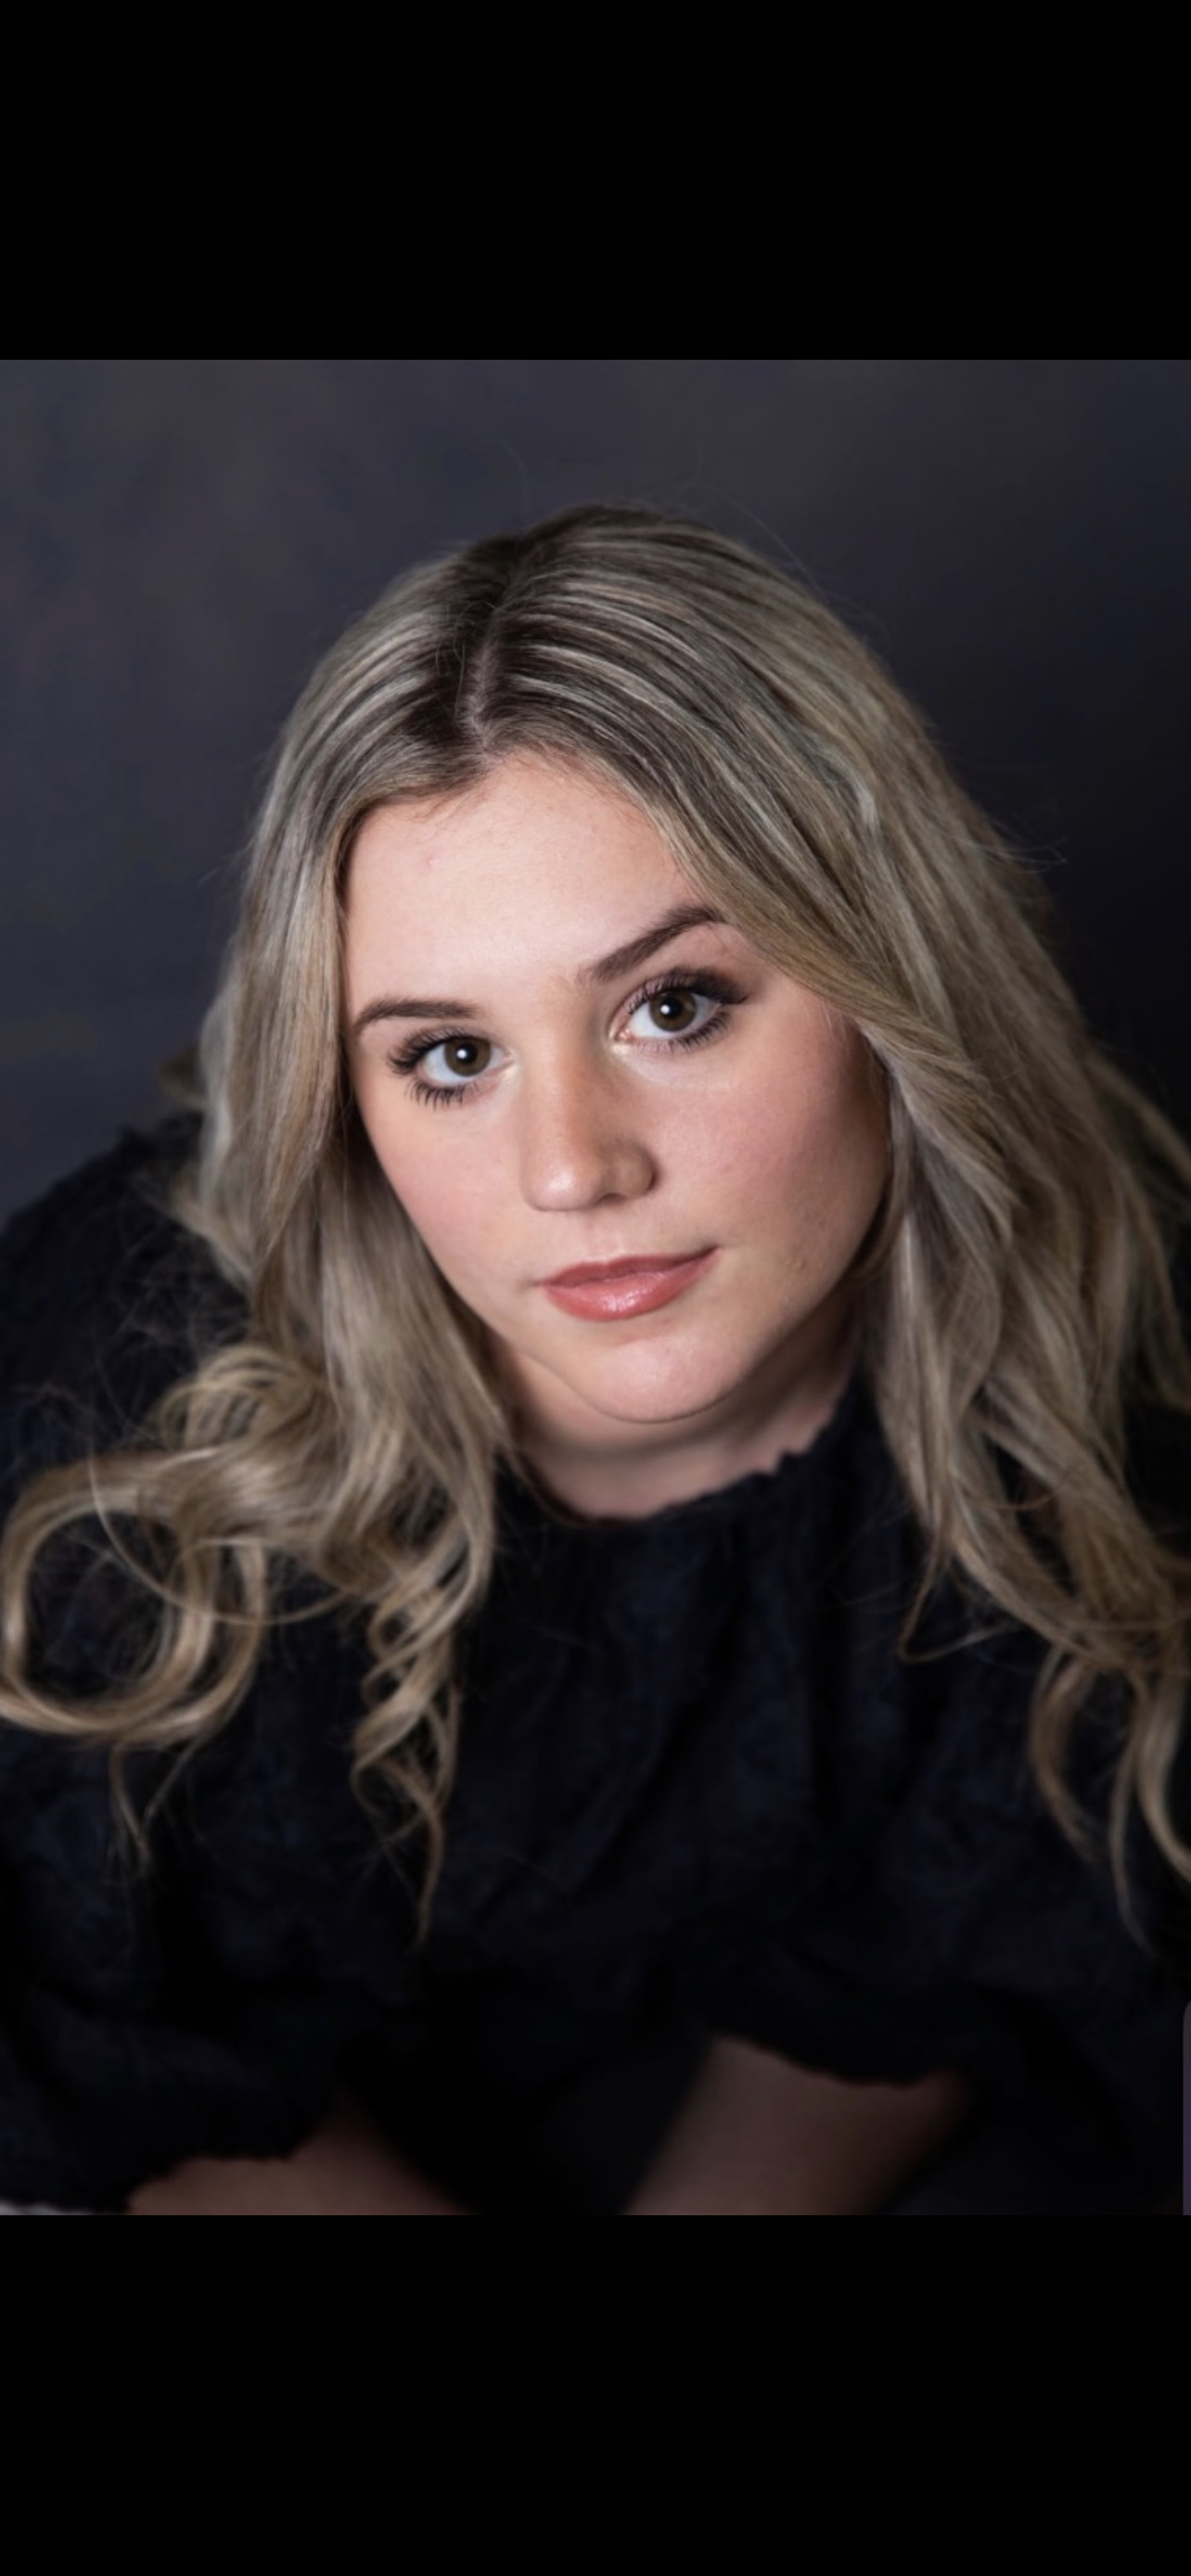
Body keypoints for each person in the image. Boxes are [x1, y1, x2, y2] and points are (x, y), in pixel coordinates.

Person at [1, 503, 1188, 2218]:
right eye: (452, 1054)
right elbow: (81, 2046)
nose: (572, 1168)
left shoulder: (1093, 1319)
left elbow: (941, 1923)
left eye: (674, 1006)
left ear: (892, 983)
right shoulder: (110, 1415)